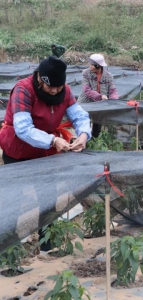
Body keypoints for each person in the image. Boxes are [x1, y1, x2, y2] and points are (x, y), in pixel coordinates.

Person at [0, 56, 92, 250]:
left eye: (59, 88)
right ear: (41, 79)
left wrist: (83, 135)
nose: (55, 91)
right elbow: (23, 128)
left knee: (48, 197)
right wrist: (53, 140)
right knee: (15, 199)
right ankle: (8, 246)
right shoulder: (23, 90)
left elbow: (79, 115)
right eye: (51, 87)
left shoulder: (65, 91)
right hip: (18, 150)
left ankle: (47, 244)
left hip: (46, 152)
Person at [77, 53, 119, 137]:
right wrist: (100, 96)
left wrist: (114, 100)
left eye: (93, 65)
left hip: (100, 104)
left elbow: (112, 90)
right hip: (86, 102)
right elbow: (86, 89)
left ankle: (95, 141)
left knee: (97, 122)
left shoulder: (108, 76)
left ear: (98, 66)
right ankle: (84, 140)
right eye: (90, 64)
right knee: (85, 121)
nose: (90, 66)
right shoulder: (86, 73)